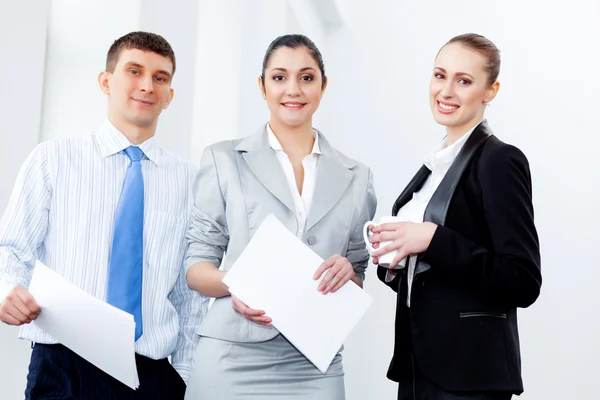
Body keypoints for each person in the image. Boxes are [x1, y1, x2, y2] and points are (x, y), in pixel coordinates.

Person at [0, 31, 207, 399]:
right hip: (64, 368)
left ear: (169, 96)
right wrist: (7, 290)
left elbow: (189, 296)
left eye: (160, 78)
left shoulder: (192, 182)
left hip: (152, 376)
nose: (147, 85)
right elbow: (11, 250)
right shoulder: (53, 160)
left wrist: (187, 378)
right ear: (106, 81)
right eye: (134, 71)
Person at [183, 34, 377, 400]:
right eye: (279, 77)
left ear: (323, 86)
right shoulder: (223, 160)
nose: (293, 89)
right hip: (232, 354)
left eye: (306, 77)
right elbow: (196, 266)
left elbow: (357, 273)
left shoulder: (357, 176)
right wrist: (236, 284)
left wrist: (347, 272)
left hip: (315, 361)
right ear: (262, 86)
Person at [369, 33, 542, 400]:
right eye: (439, 75)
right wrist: (396, 260)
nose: (446, 91)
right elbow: (438, 278)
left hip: (469, 375)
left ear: (490, 91)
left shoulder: (499, 161)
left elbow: (523, 280)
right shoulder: (435, 166)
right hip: (418, 367)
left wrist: (433, 240)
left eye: (463, 81)